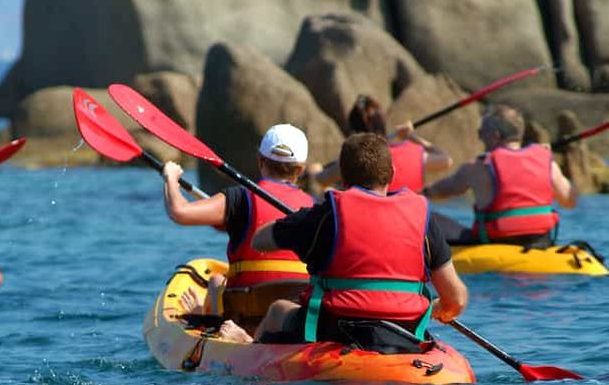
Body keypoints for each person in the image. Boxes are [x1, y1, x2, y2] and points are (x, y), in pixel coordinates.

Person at [217, 133, 468, 347]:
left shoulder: (326, 214)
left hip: (334, 331)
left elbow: (260, 241)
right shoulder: (423, 220)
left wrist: (297, 222)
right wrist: (434, 310)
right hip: (403, 333)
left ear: (343, 178)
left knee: (278, 310)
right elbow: (456, 300)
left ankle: (249, 345)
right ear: (392, 173)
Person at [162, 124, 315, 322]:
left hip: (243, 318)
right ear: (300, 169)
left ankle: (208, 313)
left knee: (216, 282)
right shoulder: (315, 208)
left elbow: (179, 212)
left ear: (260, 160)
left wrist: (171, 178)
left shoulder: (240, 199)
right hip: (294, 319)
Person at [423, 104, 577, 246]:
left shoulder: (478, 166)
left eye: (481, 132)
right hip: (541, 241)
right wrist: (545, 161)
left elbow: (438, 191)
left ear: (495, 135)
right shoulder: (548, 163)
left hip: (495, 241)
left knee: (428, 218)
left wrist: (419, 192)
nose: (480, 137)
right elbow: (570, 202)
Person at [312, 95, 452, 193]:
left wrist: (314, 170)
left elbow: (319, 180)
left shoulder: (351, 159)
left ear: (353, 131)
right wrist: (412, 136)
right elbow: (446, 160)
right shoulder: (414, 155)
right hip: (407, 224)